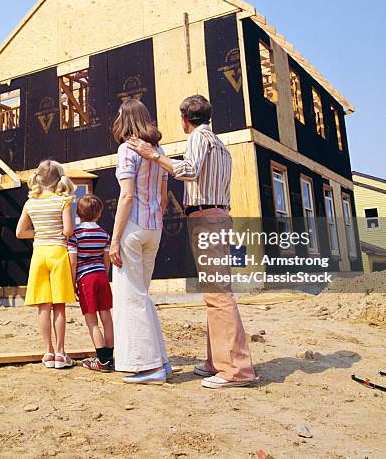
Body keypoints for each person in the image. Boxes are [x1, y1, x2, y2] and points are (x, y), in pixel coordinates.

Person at [128, 94, 257, 389]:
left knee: (218, 294)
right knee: (214, 291)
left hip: (206, 217)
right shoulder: (221, 146)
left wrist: (152, 154)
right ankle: (217, 361)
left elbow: (189, 171)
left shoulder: (199, 138)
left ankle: (236, 370)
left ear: (184, 119)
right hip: (219, 215)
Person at [110, 99, 172, 385]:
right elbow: (162, 197)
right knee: (142, 294)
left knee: (130, 297)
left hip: (133, 228)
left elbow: (127, 196)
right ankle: (160, 360)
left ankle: (148, 367)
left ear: (124, 119)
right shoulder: (158, 151)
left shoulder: (126, 150)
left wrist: (114, 240)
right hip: (154, 228)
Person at [16, 159, 77, 369]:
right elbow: (68, 231)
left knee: (43, 306)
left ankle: (48, 352)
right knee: (59, 305)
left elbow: (20, 232)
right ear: (59, 178)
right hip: (58, 253)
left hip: (39, 254)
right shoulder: (63, 201)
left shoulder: (30, 203)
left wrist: (39, 232)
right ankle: (61, 353)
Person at [67, 194, 115, 372]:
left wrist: (72, 283)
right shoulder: (104, 234)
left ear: (78, 213)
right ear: (99, 213)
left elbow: (73, 261)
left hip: (85, 279)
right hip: (101, 277)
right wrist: (104, 275)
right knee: (107, 318)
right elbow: (106, 260)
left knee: (91, 321)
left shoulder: (76, 234)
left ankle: (102, 361)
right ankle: (110, 357)